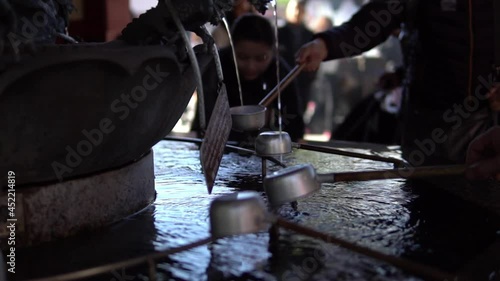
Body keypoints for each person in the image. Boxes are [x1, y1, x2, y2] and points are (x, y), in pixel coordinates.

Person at [296, 0, 499, 166]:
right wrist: (326, 44)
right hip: (426, 119)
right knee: (424, 197)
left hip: (488, 116)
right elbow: (375, 20)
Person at [201, 14, 305, 143]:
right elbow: (204, 121)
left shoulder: (280, 72)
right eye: (243, 57)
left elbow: (295, 129)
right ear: (231, 49)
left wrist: (273, 120)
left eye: (261, 58)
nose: (251, 66)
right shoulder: (216, 68)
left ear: (273, 51)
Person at [277, 0, 316, 114]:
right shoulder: (279, 33)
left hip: (303, 80)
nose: (297, 12)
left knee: (300, 110)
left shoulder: (310, 35)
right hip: (283, 81)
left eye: (300, 9)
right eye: (294, 8)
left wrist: (310, 76)